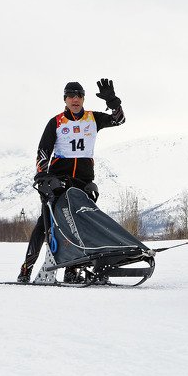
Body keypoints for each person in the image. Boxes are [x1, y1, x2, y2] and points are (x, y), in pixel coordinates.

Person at [17, 79, 125, 283]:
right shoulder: (56, 122)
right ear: (65, 99)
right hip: (58, 181)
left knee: (80, 226)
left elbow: (119, 120)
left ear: (83, 98)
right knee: (46, 225)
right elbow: (43, 151)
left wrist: (113, 102)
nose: (75, 100)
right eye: (71, 96)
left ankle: (72, 269)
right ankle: (26, 268)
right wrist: (43, 176)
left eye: (79, 96)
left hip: (83, 181)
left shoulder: (93, 118)